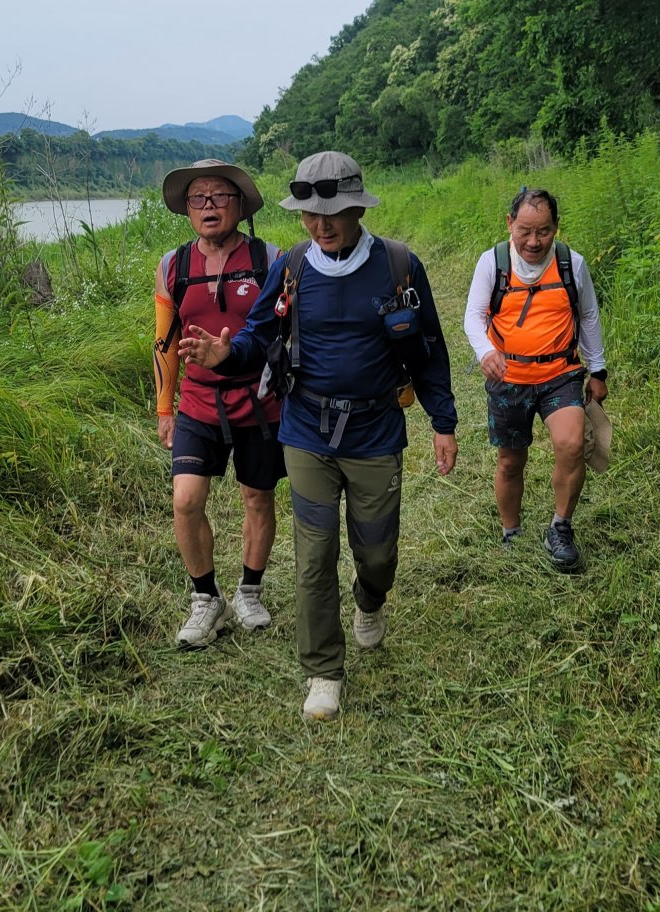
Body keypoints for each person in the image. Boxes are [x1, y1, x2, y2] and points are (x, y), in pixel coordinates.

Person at [180, 151, 458, 721]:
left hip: (377, 428)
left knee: (376, 552)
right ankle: (323, 671)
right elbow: (258, 335)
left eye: (334, 212)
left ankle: (369, 599)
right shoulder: (292, 268)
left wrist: (443, 420)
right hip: (305, 428)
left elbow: (429, 348)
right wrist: (226, 352)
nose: (321, 224)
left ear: (358, 206)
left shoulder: (398, 266)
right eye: (310, 213)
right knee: (314, 556)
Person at [154, 159, 287, 648]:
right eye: (197, 199)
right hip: (197, 403)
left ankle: (250, 589)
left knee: (258, 497)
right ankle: (205, 598)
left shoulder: (270, 259)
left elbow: (285, 332)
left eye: (218, 197)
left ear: (240, 204)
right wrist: (165, 407)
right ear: (187, 210)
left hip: (260, 402)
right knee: (186, 499)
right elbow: (164, 342)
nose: (208, 207)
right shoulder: (173, 266)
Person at [463, 188, 608, 569]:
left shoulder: (571, 265)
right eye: (524, 230)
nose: (533, 241)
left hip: (560, 374)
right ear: (510, 224)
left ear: (556, 228)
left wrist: (598, 369)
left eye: (543, 231)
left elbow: (589, 316)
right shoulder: (492, 263)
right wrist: (486, 351)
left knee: (571, 444)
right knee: (511, 461)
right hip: (509, 377)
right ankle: (512, 531)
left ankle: (561, 527)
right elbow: (474, 316)